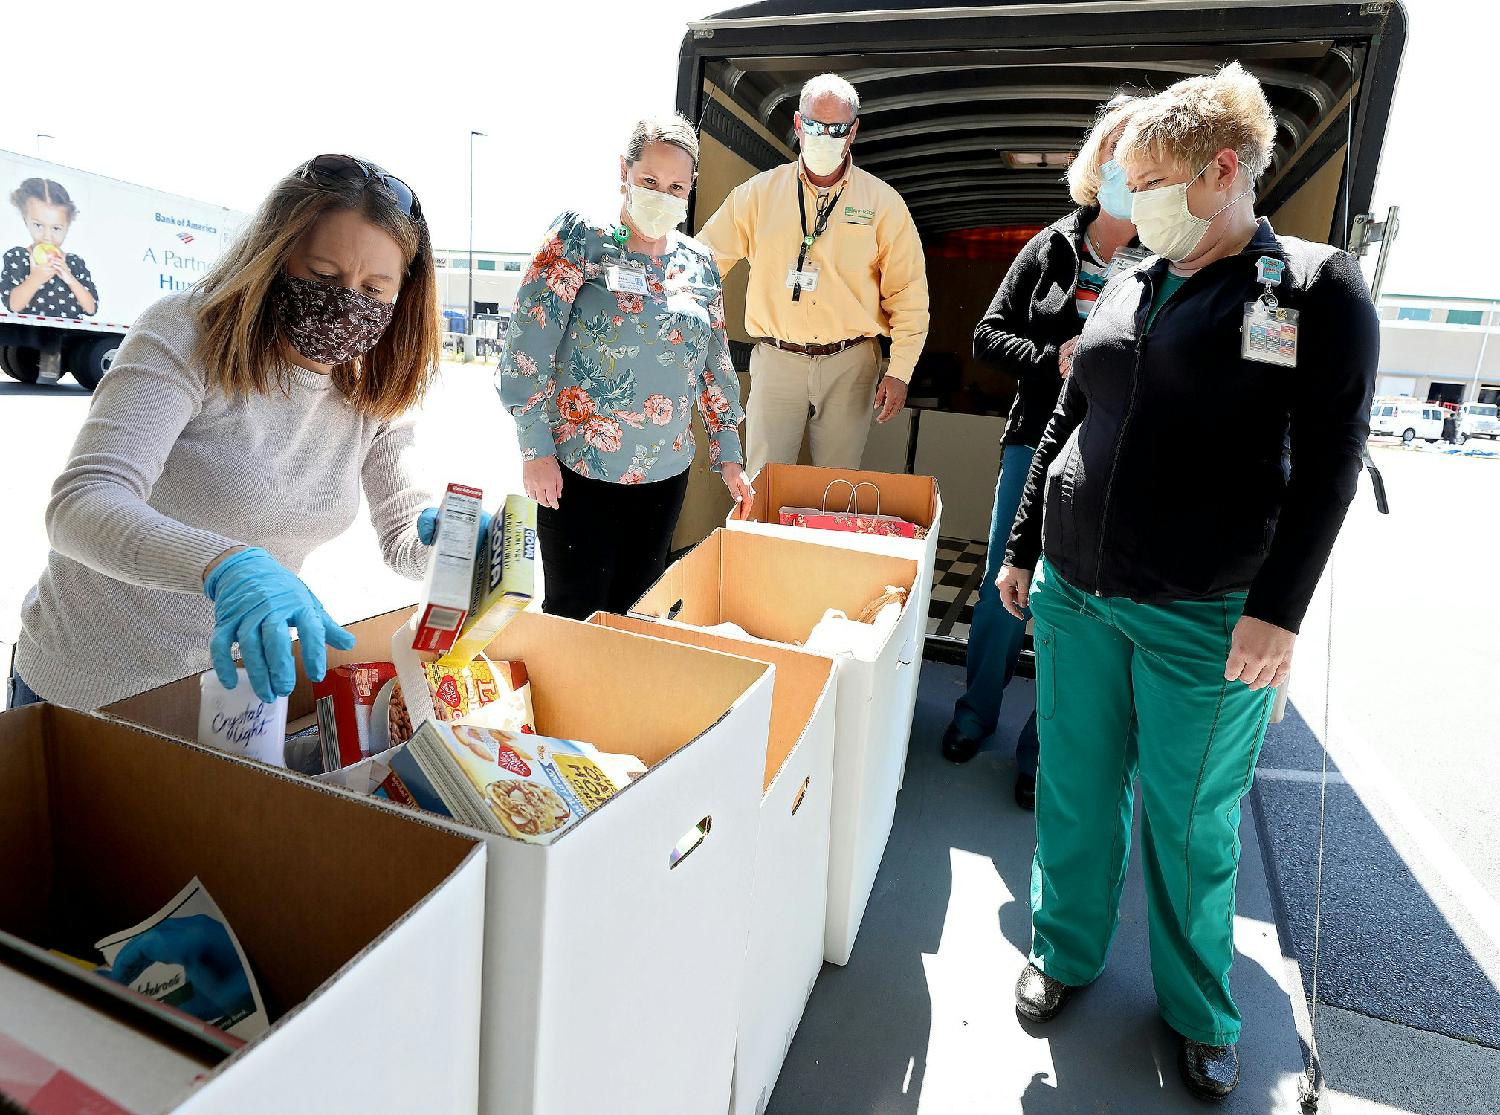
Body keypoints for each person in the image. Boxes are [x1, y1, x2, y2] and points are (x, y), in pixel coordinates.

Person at [995, 64, 1378, 1101]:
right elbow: (1070, 420)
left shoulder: (1313, 285)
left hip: (1205, 611)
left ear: (1221, 168)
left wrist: (1277, 614)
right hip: (1078, 590)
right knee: (1074, 787)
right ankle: (1064, 951)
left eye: (1148, 178)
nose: (1132, 201)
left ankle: (1203, 1011)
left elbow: (1333, 462)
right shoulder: (1135, 278)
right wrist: (1024, 544)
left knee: (1191, 816)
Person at [7, 154, 443, 712]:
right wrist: (224, 565)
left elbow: (406, 540)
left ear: (402, 296)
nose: (346, 302)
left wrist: (449, 544)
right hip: (85, 684)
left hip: (229, 700)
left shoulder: (370, 387)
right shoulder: (188, 335)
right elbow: (81, 505)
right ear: (275, 260)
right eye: (323, 276)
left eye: (375, 288)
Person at [942, 94, 1145, 812]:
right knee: (1005, 590)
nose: (1128, 166)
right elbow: (987, 336)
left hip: (1115, 460)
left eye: (1142, 150)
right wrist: (1051, 357)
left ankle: (1039, 750)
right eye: (1117, 151)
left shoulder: (1167, 257)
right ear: (1096, 164)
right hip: (1034, 442)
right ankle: (973, 716)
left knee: (1071, 609)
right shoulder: (1050, 245)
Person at [498, 114, 752, 622]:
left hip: (664, 476)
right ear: (624, 171)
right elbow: (529, 345)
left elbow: (713, 366)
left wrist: (729, 455)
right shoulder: (579, 239)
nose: (662, 194)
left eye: (676, 186)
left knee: (636, 614)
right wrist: (534, 448)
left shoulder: (699, 263)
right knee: (575, 613)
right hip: (578, 470)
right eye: (650, 181)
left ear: (690, 190)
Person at [697, 74, 929, 477]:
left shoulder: (883, 203)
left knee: (837, 484)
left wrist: (899, 371)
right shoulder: (757, 194)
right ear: (798, 124)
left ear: (852, 131)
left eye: (836, 128)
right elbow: (701, 264)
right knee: (762, 480)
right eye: (815, 125)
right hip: (776, 357)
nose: (825, 136)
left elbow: (908, 295)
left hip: (850, 361)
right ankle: (764, 543)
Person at [2, 177, 98, 317]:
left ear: (67, 227)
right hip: (31, 336)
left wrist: (69, 277)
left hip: (70, 337)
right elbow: (14, 305)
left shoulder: (74, 262)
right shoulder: (17, 257)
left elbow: (91, 309)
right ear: (25, 220)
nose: (47, 236)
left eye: (56, 228)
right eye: (38, 225)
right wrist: (36, 278)